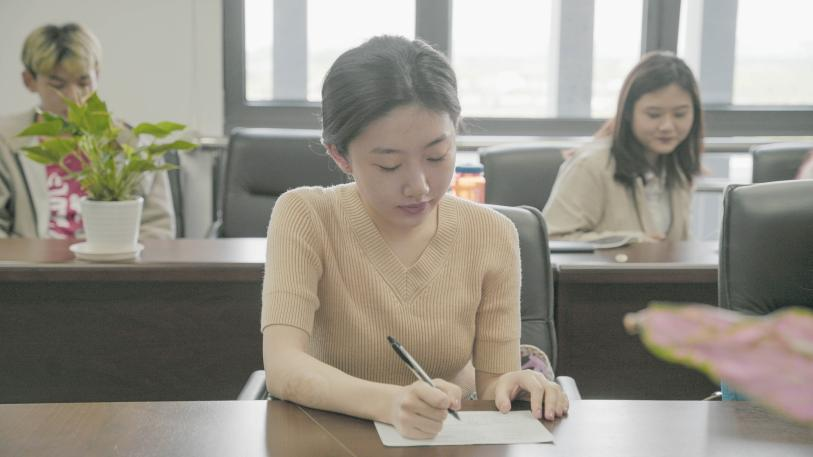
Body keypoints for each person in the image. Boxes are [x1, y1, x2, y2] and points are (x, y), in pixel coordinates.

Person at [261, 35, 568, 440]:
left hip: (441, 440)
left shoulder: (492, 233)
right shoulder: (306, 215)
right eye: (389, 165)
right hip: (327, 439)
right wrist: (389, 403)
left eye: (437, 156)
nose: (419, 186)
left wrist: (513, 387)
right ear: (340, 155)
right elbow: (283, 366)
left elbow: (493, 383)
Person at [0, 23, 175, 239]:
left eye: (84, 82)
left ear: (97, 76)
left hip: (112, 259)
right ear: (29, 81)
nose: (73, 97)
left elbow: (157, 229)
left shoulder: (130, 143)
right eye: (57, 85)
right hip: (31, 259)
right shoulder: (6, 142)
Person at [543, 51, 704, 242]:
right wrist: (630, 243)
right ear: (628, 113)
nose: (667, 126)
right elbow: (553, 239)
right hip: (609, 264)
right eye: (653, 115)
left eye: (680, 114)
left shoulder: (676, 168)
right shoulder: (591, 166)